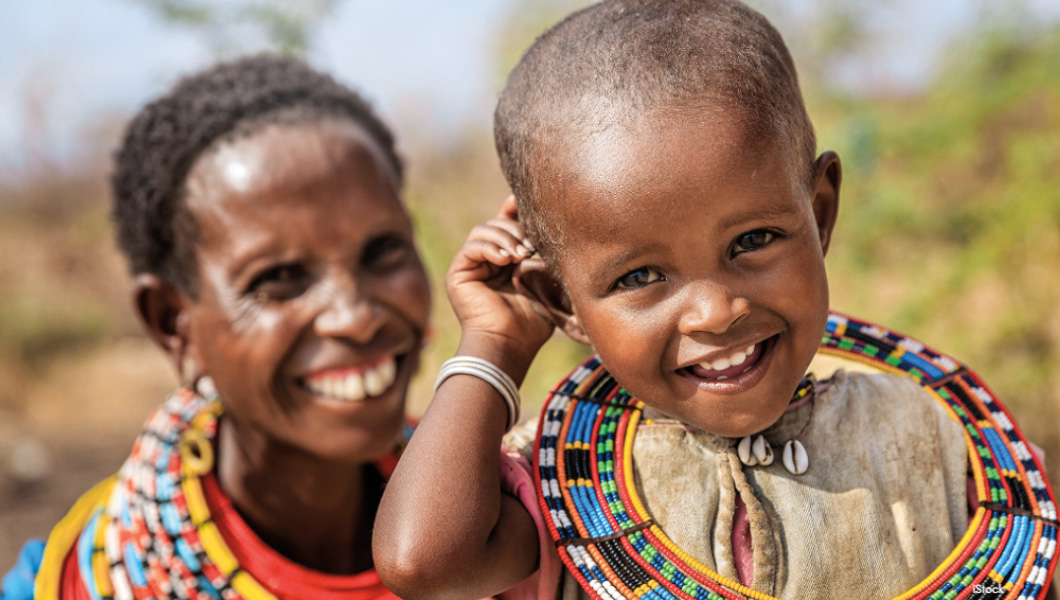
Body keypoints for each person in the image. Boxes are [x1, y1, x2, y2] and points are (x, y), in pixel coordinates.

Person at [373, 1, 1058, 599]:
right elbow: (422, 562)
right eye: (640, 277)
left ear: (819, 214)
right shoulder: (564, 486)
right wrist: (495, 344)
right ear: (561, 299)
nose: (716, 311)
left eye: (753, 239)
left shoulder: (940, 438)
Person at [1, 54, 433, 600]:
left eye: (384, 250)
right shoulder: (77, 583)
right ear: (172, 322)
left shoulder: (518, 513)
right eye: (278, 277)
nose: (355, 315)